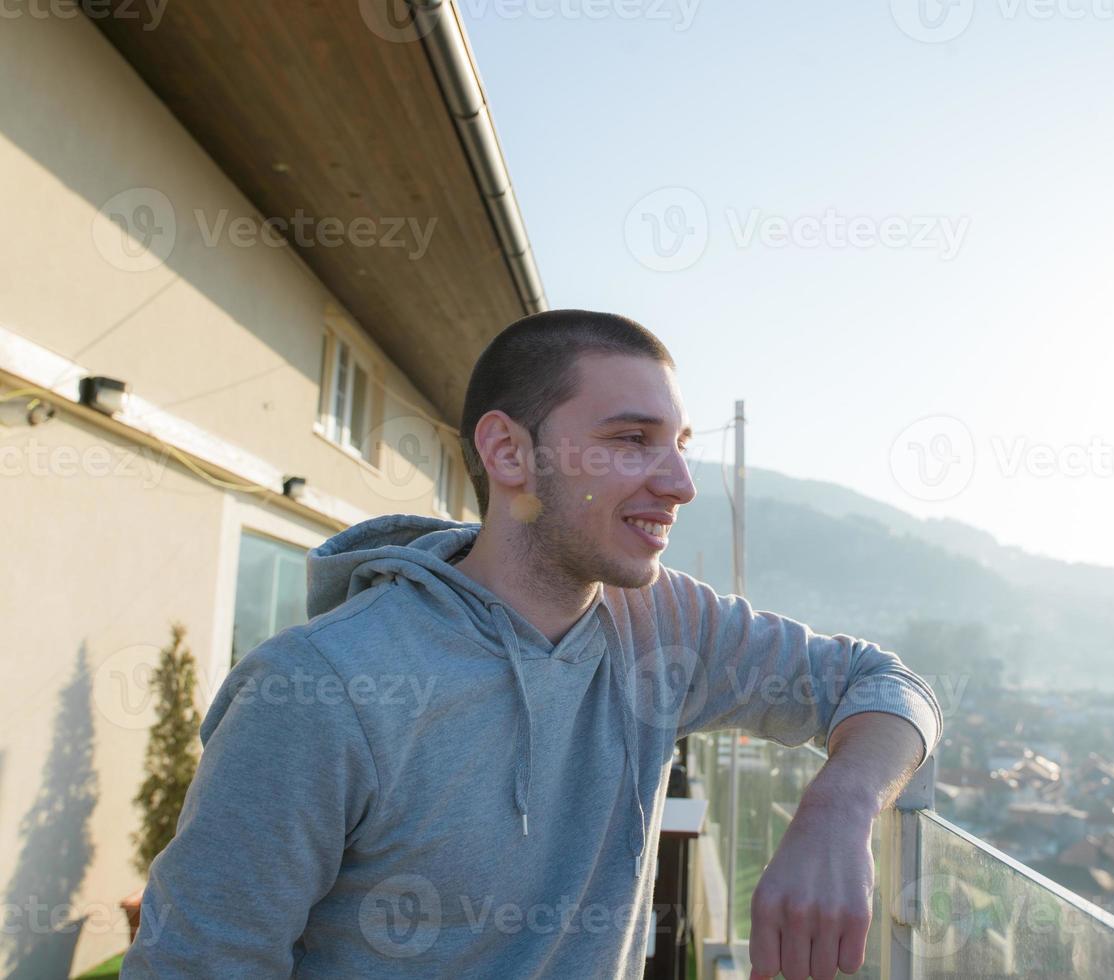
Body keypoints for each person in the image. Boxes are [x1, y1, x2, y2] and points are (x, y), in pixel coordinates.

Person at [121, 309, 942, 980]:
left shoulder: (660, 622)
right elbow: (196, 966)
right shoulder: (318, 689)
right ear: (508, 452)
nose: (681, 484)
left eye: (679, 445)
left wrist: (837, 808)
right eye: (630, 440)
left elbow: (883, 683)